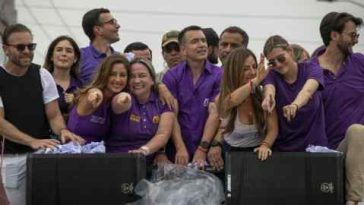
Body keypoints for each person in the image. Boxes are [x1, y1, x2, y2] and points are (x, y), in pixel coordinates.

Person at [0, 23, 84, 205]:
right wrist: (31, 140)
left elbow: (53, 115)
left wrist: (63, 131)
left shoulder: (42, 74)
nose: (26, 51)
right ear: (5, 49)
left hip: (40, 156)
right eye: (20, 47)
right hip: (10, 159)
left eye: (31, 46)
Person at [311, 12, 364, 204]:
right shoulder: (310, 69)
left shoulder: (360, 62)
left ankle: (354, 201)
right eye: (352, 35)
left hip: (361, 149)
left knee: (358, 132)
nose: (355, 41)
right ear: (334, 35)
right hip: (329, 152)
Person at [208, 48, 278, 171]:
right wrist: (256, 80)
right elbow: (233, 100)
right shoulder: (222, 98)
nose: (252, 72)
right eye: (245, 69)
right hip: (232, 155)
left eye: (254, 67)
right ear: (234, 71)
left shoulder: (263, 95)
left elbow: (273, 129)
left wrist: (265, 145)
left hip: (258, 153)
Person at [162, 25, 222, 167]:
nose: (201, 45)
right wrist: (180, 148)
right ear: (183, 49)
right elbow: (171, 114)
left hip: (209, 152)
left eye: (203, 41)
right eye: (195, 41)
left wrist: (203, 148)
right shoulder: (171, 76)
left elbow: (216, 113)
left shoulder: (219, 74)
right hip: (177, 153)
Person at [261, 35, 328, 151]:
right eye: (272, 63)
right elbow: (269, 89)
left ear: (290, 51)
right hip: (284, 150)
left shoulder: (312, 68)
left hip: (315, 148)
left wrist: (295, 105)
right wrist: (268, 98)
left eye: (281, 58)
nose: (278, 65)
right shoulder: (272, 75)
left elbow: (307, 91)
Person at [106, 58, 174, 164]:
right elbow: (118, 103)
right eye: (132, 76)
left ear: (152, 80)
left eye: (142, 76)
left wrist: (143, 151)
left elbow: (162, 134)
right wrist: (123, 100)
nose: (137, 81)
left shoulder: (162, 100)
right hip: (116, 162)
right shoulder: (123, 97)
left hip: (146, 162)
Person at [67, 55, 131, 144]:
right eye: (112, 74)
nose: (117, 79)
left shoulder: (114, 101)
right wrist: (94, 96)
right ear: (104, 74)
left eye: (122, 75)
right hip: (72, 150)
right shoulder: (92, 94)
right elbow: (95, 94)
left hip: (97, 153)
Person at [44, 35, 82, 122]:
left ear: (75, 58)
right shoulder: (41, 82)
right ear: (51, 57)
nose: (64, 54)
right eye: (59, 50)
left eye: (69, 51)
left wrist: (78, 102)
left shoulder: (82, 86)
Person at [80, 8, 120, 85]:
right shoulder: (79, 57)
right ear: (98, 29)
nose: (118, 26)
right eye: (112, 22)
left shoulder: (120, 58)